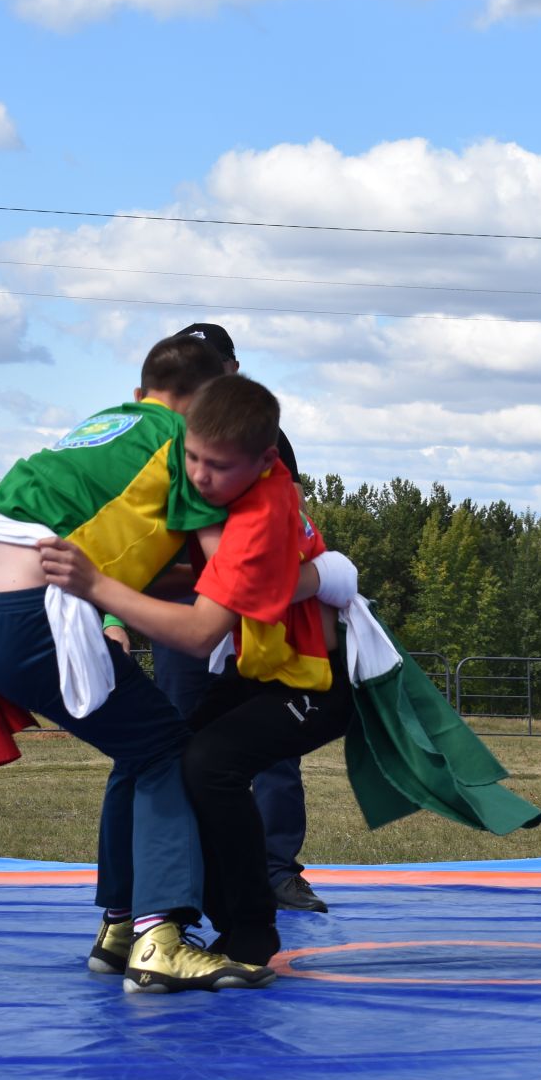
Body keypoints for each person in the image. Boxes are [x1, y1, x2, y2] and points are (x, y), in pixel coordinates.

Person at [0, 333, 275, 994]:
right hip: (38, 614)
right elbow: (223, 577)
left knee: (139, 746)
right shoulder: (186, 447)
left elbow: (46, 524)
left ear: (142, 389)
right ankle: (160, 939)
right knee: (168, 750)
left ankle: (120, 928)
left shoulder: (103, 425)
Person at [43, 374, 351, 964]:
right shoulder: (226, 501)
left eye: (217, 465)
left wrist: (96, 585)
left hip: (316, 683)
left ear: (263, 463)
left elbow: (203, 626)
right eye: (192, 457)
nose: (200, 476)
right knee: (170, 753)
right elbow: (180, 574)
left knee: (209, 764)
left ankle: (248, 927)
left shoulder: (260, 518)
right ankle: (155, 916)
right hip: (267, 673)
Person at [135, 322, 327, 915]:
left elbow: (277, 533)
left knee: (266, 743)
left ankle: (272, 869)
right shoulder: (155, 436)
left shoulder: (261, 438)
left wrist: (308, 578)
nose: (200, 474)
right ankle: (187, 879)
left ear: (231, 372)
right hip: (190, 597)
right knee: (178, 740)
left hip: (245, 610)